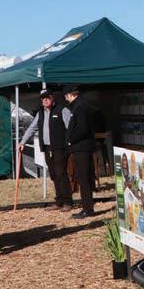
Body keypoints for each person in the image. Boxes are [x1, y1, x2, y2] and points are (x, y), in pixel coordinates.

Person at [18, 89, 73, 211]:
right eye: (43, 98)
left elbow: (71, 128)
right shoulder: (40, 113)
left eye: (47, 97)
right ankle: (59, 201)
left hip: (60, 147)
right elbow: (32, 128)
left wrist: (70, 143)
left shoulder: (62, 110)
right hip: (47, 148)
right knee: (53, 174)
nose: (45, 100)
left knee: (61, 173)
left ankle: (68, 202)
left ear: (52, 98)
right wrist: (22, 142)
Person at [63, 85, 96, 219]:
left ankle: (87, 209)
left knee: (84, 179)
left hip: (81, 147)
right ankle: (87, 207)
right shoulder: (80, 105)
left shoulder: (80, 107)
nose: (66, 99)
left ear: (70, 95)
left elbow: (82, 128)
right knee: (83, 178)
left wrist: (71, 140)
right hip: (81, 147)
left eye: (66, 96)